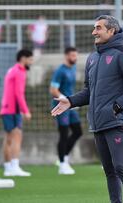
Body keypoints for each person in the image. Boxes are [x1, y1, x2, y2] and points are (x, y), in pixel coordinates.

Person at [51, 15, 123, 203]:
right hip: (99, 122)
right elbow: (89, 92)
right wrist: (70, 101)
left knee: (120, 166)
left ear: (111, 31)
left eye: (99, 28)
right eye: (94, 28)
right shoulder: (93, 58)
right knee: (109, 171)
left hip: (118, 120)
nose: (94, 32)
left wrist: (117, 106)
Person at [0, 49, 33, 177]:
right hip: (13, 109)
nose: (31, 62)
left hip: (6, 108)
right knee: (17, 136)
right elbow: (19, 93)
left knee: (8, 138)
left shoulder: (11, 70)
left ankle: (8, 168)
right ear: (23, 58)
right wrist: (26, 111)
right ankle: (15, 166)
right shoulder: (19, 71)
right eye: (30, 59)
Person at [49, 47, 82, 175]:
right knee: (63, 134)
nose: (75, 58)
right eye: (73, 55)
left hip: (70, 105)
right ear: (66, 56)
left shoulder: (73, 69)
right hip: (61, 106)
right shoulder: (60, 71)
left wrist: (73, 101)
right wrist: (64, 99)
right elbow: (53, 90)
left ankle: (63, 157)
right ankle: (62, 165)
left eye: (76, 55)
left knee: (78, 131)